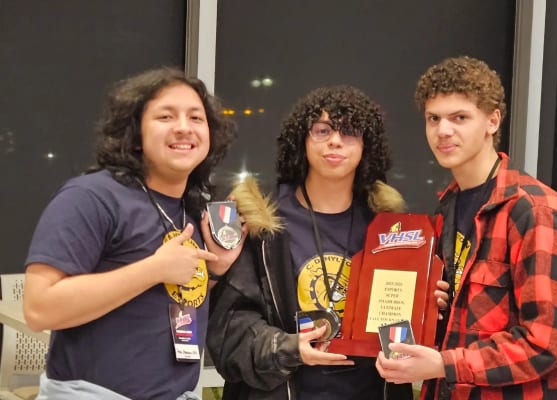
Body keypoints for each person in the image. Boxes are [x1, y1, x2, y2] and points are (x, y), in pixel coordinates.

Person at [23, 67, 239, 399]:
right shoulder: (91, 197)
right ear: (135, 131)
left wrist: (214, 270)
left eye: (196, 118)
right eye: (166, 116)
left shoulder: (193, 207)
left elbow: (170, 296)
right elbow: (40, 310)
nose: (184, 128)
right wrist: (153, 269)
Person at [375, 56, 557, 400]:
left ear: (492, 121)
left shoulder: (534, 209)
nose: (443, 131)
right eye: (434, 119)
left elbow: (546, 342)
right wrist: (436, 307)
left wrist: (444, 364)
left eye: (459, 118)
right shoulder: (446, 209)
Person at [206, 85, 411, 400]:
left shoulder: (388, 229)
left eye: (350, 132)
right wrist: (289, 348)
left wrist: (425, 307)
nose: (335, 141)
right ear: (301, 140)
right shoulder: (261, 222)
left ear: (366, 145)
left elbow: (403, 329)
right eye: (322, 130)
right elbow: (229, 331)